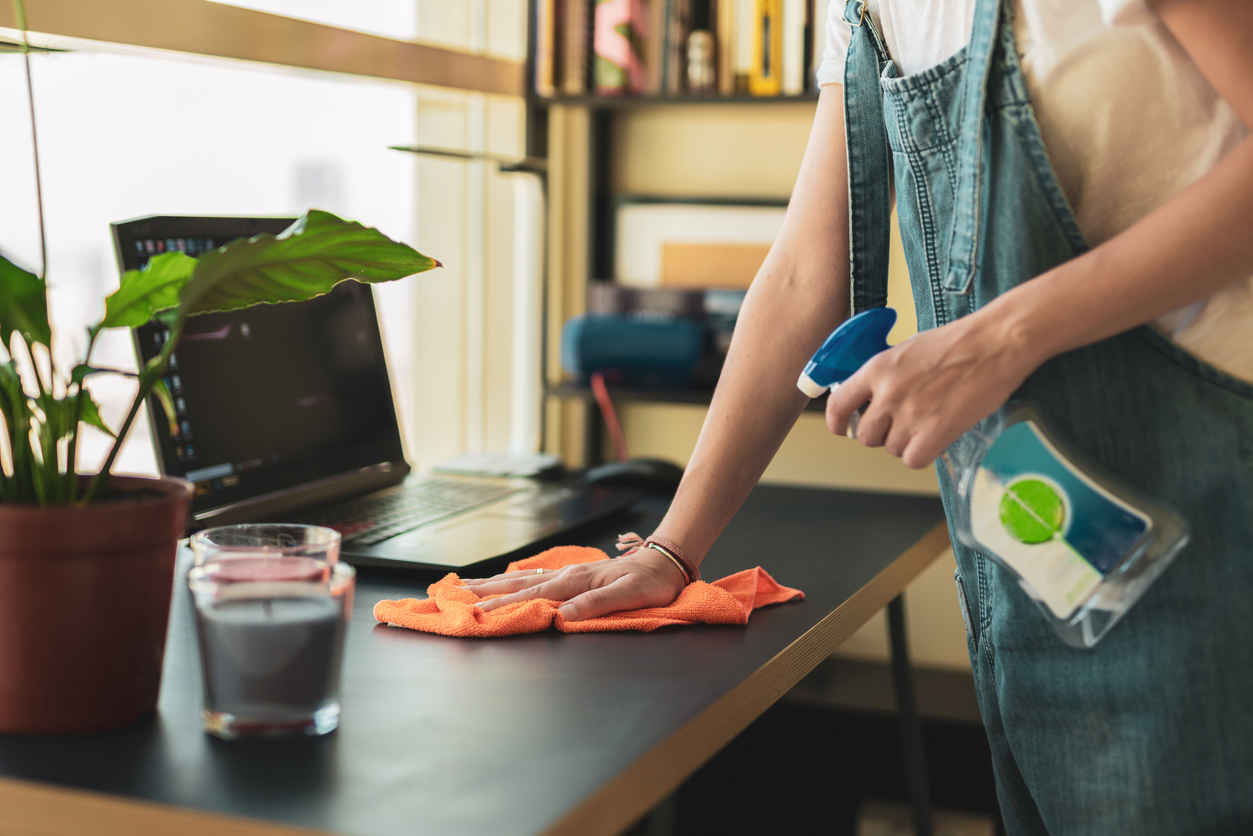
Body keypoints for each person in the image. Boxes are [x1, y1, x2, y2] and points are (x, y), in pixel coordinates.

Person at [467, 0, 1253, 830]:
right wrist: (672, 547)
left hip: (1209, 524)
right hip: (1039, 565)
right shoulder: (863, 10)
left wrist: (1000, 337)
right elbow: (808, 273)